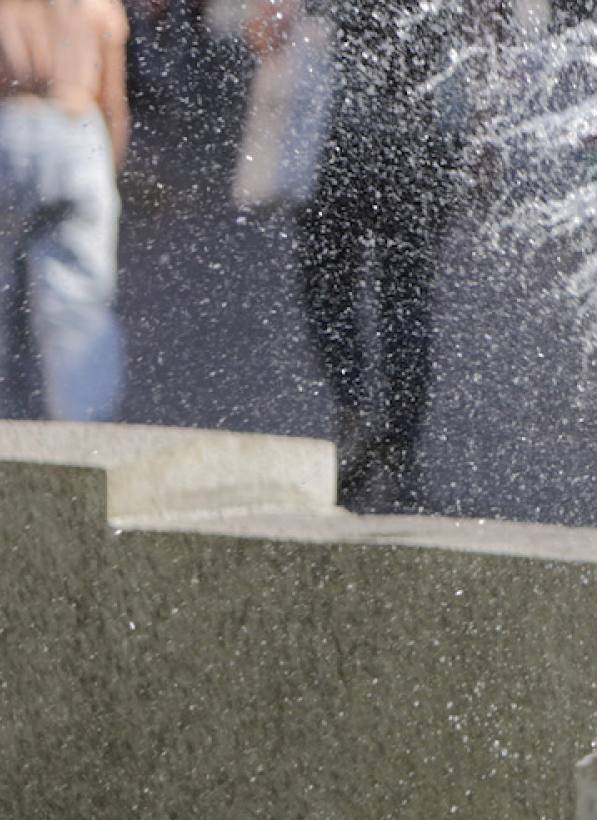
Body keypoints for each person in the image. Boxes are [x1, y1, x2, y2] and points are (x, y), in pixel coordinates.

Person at [250, 0, 473, 511]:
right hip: (423, 143)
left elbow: (271, 24)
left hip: (341, 139)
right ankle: (401, 453)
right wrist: (465, 134)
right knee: (407, 295)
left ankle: (357, 410)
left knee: (327, 284)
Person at [0, 0, 130, 422]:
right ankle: (84, 449)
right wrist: (110, 171)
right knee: (79, 309)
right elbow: (113, 98)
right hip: (79, 131)